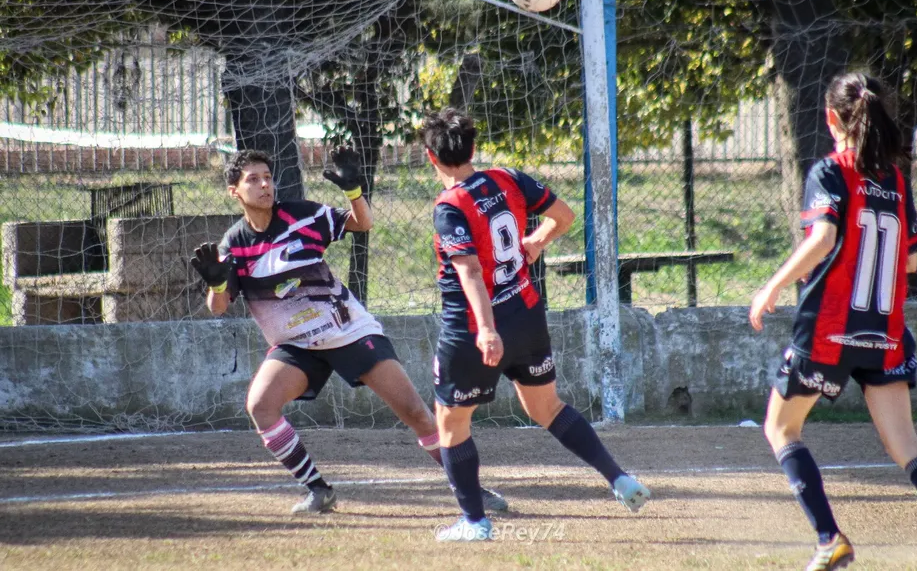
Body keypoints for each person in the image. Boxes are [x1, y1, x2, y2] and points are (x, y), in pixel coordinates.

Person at [189, 148, 507, 515]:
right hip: (296, 345)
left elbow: (363, 224)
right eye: (253, 179)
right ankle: (318, 490)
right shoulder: (234, 244)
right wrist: (215, 284)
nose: (264, 185)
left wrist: (354, 192)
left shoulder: (302, 215)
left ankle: (474, 490)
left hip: (348, 331)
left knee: (417, 413)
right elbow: (219, 306)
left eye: (267, 176)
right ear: (234, 191)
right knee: (260, 405)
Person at [749, 72, 917, 571]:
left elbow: (823, 239)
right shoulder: (897, 181)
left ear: (832, 119)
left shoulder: (831, 171)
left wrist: (771, 285)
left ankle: (830, 538)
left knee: (781, 429)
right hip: (885, 330)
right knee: (907, 444)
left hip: (831, 329)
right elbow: (913, 261)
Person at [422, 108, 651, 543]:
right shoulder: (507, 178)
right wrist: (536, 242)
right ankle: (620, 480)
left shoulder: (449, 206)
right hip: (527, 316)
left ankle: (474, 523)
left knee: (451, 425)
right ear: (472, 149)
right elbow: (563, 216)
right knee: (546, 408)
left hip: (474, 328)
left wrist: (486, 331)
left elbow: (469, 272)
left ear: (432, 159)